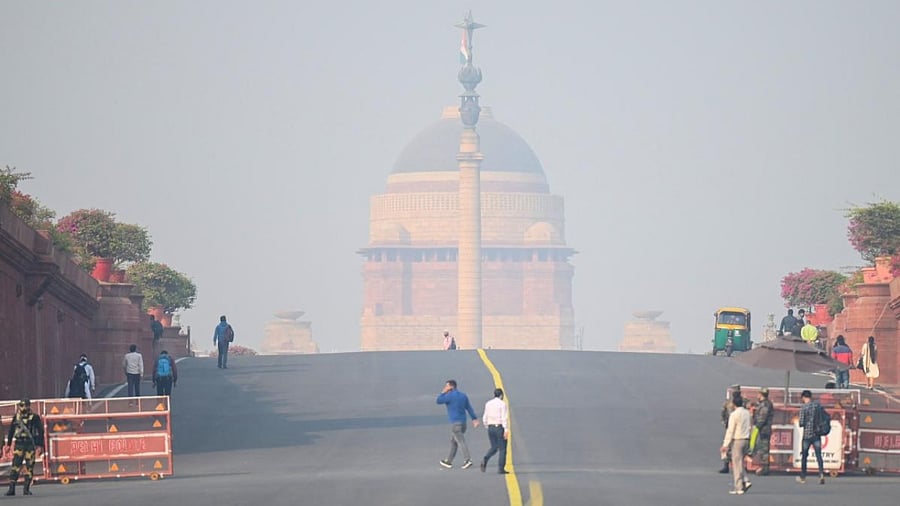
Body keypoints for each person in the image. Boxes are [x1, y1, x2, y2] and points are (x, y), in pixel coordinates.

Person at [3, 399, 44, 496]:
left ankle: (26, 489)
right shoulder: (16, 418)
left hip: (30, 444)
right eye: (21, 406)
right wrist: (8, 445)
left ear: (29, 406)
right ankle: (11, 489)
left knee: (29, 467)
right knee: (15, 466)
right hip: (19, 444)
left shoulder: (34, 417)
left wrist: (40, 445)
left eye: (25, 406)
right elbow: (11, 431)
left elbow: (40, 432)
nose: (23, 408)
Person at [436, 379, 479, 469]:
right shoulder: (463, 396)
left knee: (460, 441)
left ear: (451, 386)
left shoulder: (449, 396)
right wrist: (474, 419)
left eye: (447, 386)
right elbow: (469, 408)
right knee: (454, 441)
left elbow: (438, 400)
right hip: (463, 423)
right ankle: (449, 461)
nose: (445, 388)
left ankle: (467, 459)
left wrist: (443, 392)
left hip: (455, 424)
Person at [721, 396, 752, 495]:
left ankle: (738, 487)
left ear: (734, 404)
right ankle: (746, 480)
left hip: (737, 440)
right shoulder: (747, 413)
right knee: (740, 462)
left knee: (736, 464)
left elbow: (730, 430)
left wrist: (725, 444)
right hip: (746, 439)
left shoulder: (734, 414)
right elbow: (751, 426)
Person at [797, 390, 825, 484]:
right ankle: (821, 474)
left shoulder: (804, 408)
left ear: (804, 397)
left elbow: (801, 423)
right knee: (818, 455)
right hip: (817, 434)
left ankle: (803, 476)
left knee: (804, 455)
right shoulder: (818, 406)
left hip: (807, 435)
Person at [480, 388, 510, 474]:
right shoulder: (502, 404)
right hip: (499, 427)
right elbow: (504, 418)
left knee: (494, 447)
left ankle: (486, 457)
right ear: (501, 395)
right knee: (502, 449)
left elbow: (485, 417)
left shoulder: (488, 403)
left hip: (490, 427)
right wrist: (506, 430)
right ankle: (501, 468)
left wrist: (487, 426)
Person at [718, 385, 742, 473]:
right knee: (726, 445)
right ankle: (726, 464)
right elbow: (723, 412)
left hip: (740, 429)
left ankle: (738, 466)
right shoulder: (728, 403)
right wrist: (725, 423)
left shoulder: (743, 402)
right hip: (730, 427)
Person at [752, 387, 774, 475]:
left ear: (761, 394)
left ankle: (765, 468)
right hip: (763, 429)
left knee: (764, 449)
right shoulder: (763, 404)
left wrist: (756, 427)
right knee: (762, 448)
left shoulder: (765, 405)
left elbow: (762, 419)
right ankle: (763, 466)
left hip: (764, 429)